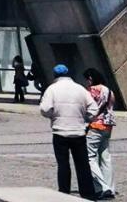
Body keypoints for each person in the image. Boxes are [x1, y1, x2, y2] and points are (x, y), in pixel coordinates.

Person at [38, 63, 97, 199]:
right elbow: (93, 108)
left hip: (60, 132)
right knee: (83, 164)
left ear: (55, 75)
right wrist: (85, 119)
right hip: (78, 132)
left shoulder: (52, 89)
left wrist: (53, 116)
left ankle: (64, 193)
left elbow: (45, 109)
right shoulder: (80, 89)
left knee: (63, 164)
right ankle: (88, 194)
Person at [84, 68, 116, 199]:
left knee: (89, 157)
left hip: (95, 125)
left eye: (87, 79)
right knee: (105, 157)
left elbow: (87, 107)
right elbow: (111, 105)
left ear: (90, 78)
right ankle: (110, 188)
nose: (86, 82)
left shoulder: (92, 91)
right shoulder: (109, 91)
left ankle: (103, 187)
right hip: (108, 126)